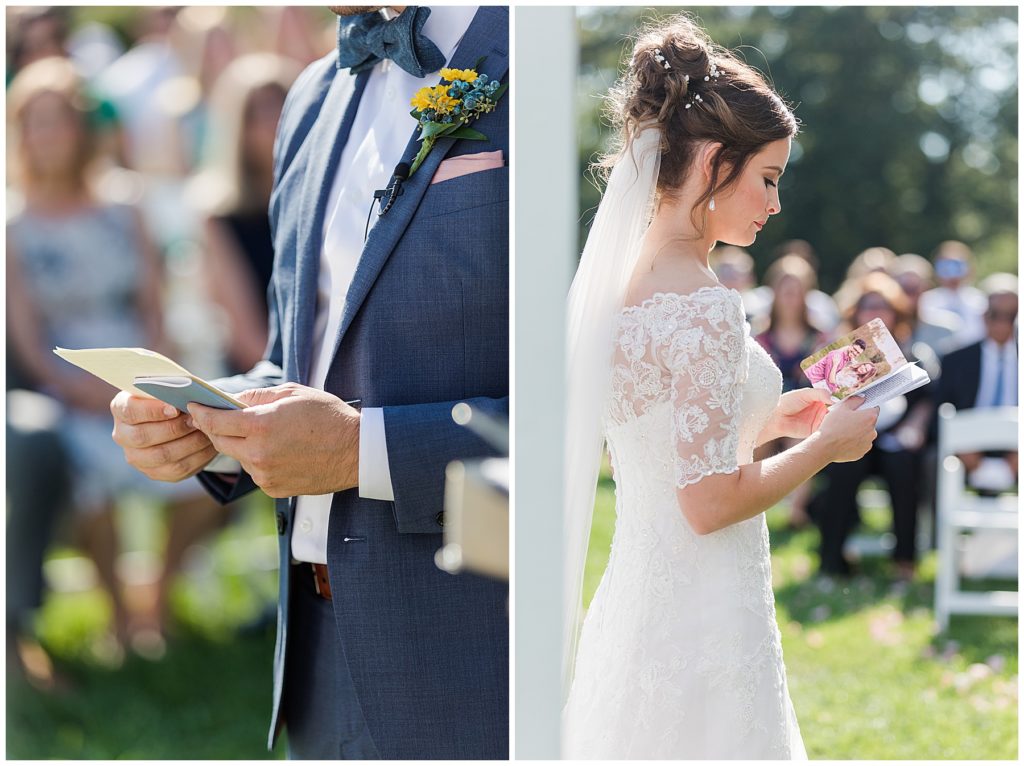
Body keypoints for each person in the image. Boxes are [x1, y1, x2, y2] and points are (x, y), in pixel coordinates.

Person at [109, 6, 508, 759]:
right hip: (318, 656)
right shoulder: (310, 96)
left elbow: (598, 412)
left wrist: (366, 451)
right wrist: (204, 422)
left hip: (482, 650)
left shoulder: (544, 57)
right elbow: (296, 364)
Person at [562, 13, 878, 759]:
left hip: (638, 597)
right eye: (767, 179)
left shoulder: (627, 281)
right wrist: (825, 451)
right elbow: (706, 503)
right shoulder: (702, 304)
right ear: (711, 162)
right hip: (704, 610)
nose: (774, 204)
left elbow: (668, 437)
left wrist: (776, 419)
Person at [6, 56, 217, 654]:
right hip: (66, 382)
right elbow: (27, 337)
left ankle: (159, 597)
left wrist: (151, 374)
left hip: (141, 367)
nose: (48, 135)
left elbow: (155, 301)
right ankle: (117, 613)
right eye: (33, 122)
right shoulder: (12, 224)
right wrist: (85, 391)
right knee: (87, 489)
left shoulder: (126, 204)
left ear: (80, 127)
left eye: (58, 120)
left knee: (209, 480)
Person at [810, 272, 936, 580]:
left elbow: (928, 399)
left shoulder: (914, 353)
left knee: (903, 465)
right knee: (843, 467)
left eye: (884, 306)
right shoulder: (841, 356)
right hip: (854, 438)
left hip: (896, 441)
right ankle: (831, 560)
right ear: (856, 312)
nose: (876, 312)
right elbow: (819, 399)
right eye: (869, 306)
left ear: (897, 312)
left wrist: (917, 426)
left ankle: (905, 562)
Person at [190, 53, 301, 374]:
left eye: (280, 104)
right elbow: (247, 336)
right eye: (258, 112)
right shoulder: (220, 218)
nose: (274, 120)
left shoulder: (325, 197)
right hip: (264, 378)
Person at [754, 254, 829, 528]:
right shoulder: (759, 336)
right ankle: (749, 503)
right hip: (766, 407)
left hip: (805, 408)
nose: (790, 297)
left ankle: (796, 511)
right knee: (753, 435)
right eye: (785, 291)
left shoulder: (818, 337)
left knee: (801, 437)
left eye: (797, 291)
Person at [935, 273, 1018, 493]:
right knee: (929, 461)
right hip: (966, 448)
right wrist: (968, 456)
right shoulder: (956, 359)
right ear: (984, 316)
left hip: (1017, 449)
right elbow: (940, 409)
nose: (1002, 323)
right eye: (996, 314)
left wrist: (1014, 463)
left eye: (1011, 316)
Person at [919, 240, 987, 349]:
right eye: (945, 268)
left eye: (958, 266)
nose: (952, 275)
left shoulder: (980, 301)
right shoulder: (927, 301)